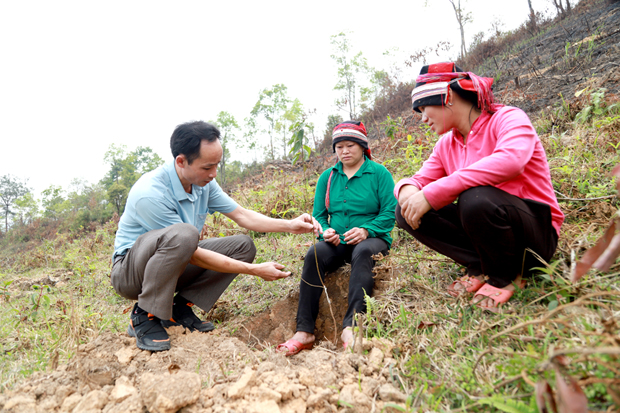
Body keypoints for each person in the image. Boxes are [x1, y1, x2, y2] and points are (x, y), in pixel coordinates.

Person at [111, 120, 321, 352]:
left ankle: (179, 308)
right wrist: (253, 270)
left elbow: (242, 215)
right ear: (181, 161)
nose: (213, 174)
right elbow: (193, 255)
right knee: (185, 234)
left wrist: (290, 225)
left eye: (217, 165)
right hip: (131, 274)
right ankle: (144, 315)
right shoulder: (150, 194)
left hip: (173, 262)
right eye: (206, 167)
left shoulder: (202, 183)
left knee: (242, 246)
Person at [395, 62, 564, 312]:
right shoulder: (446, 145)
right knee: (405, 212)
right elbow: (416, 180)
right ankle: (481, 265)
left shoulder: (507, 118)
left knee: (474, 197)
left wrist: (432, 192)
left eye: (423, 108)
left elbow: (512, 161)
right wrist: (409, 193)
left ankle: (504, 277)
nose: (422, 119)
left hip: (535, 236)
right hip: (489, 229)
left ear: (447, 96)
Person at [277, 121, 397, 356]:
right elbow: (319, 215)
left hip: (373, 239)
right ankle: (304, 331)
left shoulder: (379, 174)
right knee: (315, 254)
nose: (344, 151)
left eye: (350, 145)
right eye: (339, 146)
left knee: (363, 252)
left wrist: (366, 230)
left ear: (362, 146)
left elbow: (390, 212)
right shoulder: (328, 177)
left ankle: (351, 328)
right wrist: (325, 232)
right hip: (339, 241)